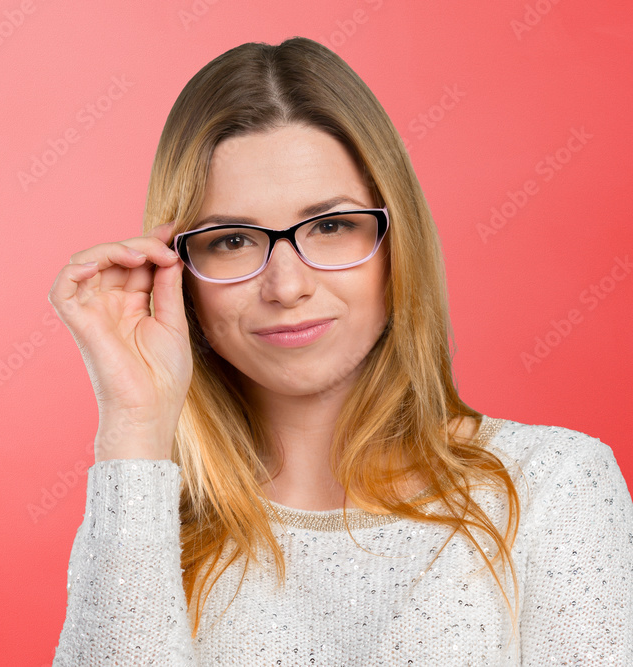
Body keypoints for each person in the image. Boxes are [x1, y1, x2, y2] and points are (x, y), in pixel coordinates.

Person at [46, 36, 633, 665]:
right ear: (180, 269)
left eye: (330, 227)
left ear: (394, 242)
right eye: (233, 240)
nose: (288, 286)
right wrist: (134, 426)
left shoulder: (550, 486)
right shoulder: (142, 524)